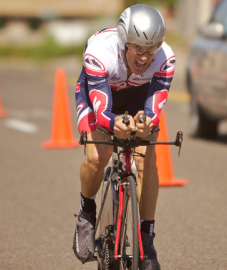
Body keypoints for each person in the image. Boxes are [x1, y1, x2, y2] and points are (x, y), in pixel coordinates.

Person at [72, 4, 175, 270]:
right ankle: (87, 212)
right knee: (99, 155)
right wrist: (112, 123)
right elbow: (101, 108)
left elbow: (154, 108)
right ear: (123, 41)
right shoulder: (99, 51)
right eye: (138, 48)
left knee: (146, 156)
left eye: (151, 48)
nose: (145, 57)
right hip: (100, 95)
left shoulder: (166, 58)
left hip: (137, 97)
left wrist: (147, 123)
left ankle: (146, 239)